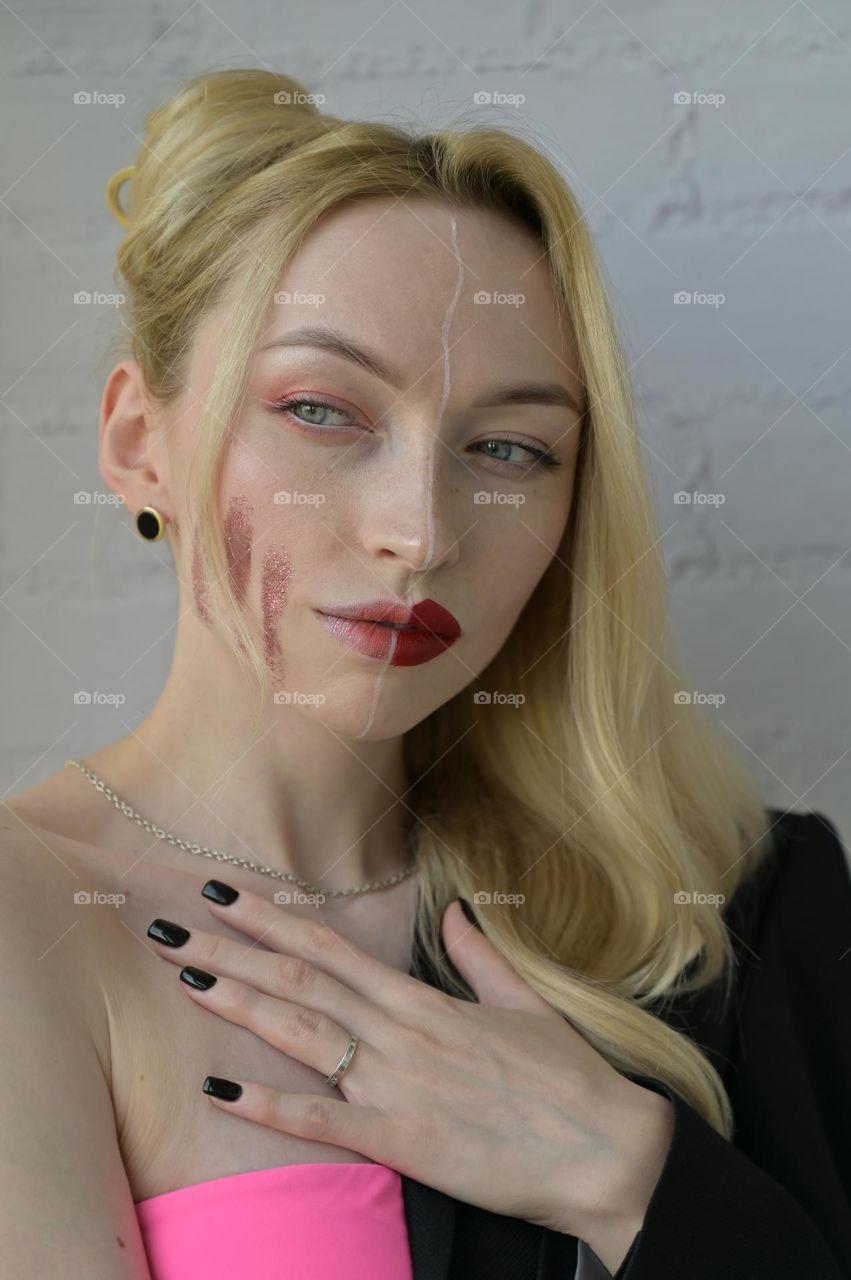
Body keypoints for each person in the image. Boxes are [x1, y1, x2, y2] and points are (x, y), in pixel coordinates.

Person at [1, 67, 849, 1280]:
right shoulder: (29, 914)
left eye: (507, 447)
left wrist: (626, 1172)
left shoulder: (741, 912)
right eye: (321, 410)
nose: (422, 529)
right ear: (140, 444)